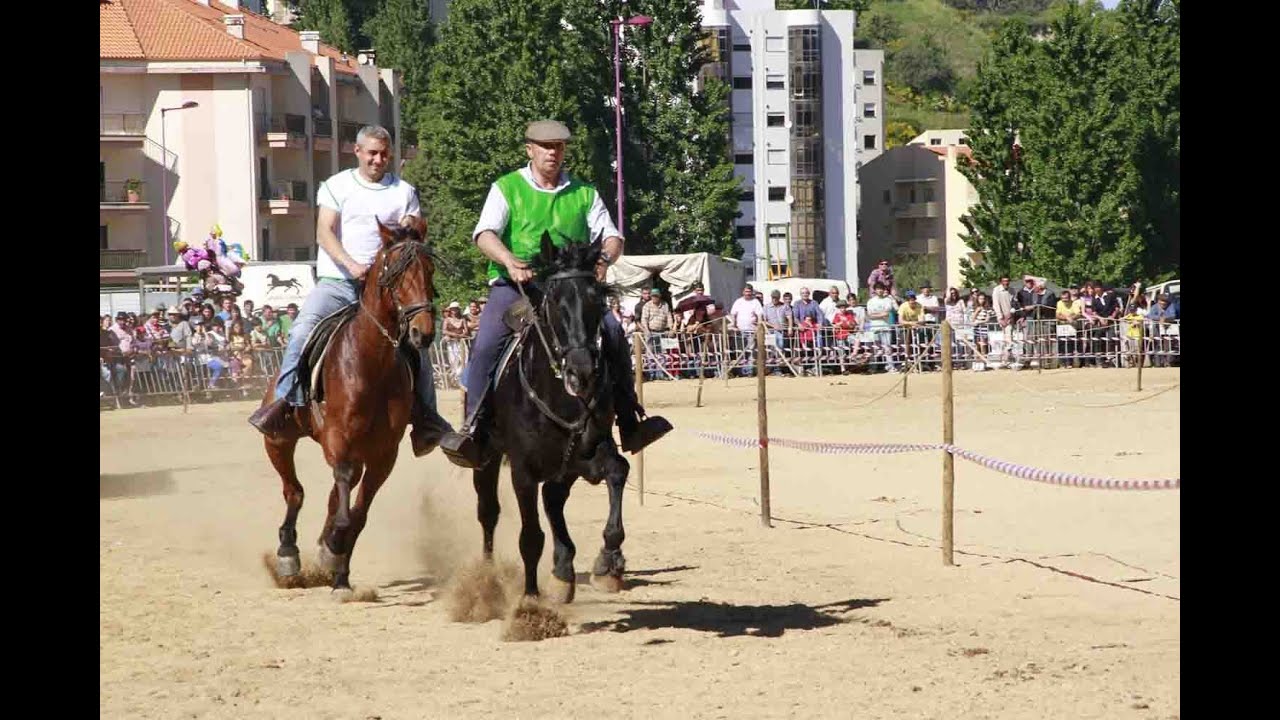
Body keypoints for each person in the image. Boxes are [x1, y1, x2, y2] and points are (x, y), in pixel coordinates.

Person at [439, 119, 671, 468]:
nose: (552, 152)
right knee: (487, 344)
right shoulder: (507, 188)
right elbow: (484, 233)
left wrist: (605, 259)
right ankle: (474, 428)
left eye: (558, 146)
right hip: (517, 287)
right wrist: (509, 260)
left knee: (612, 331)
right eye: (545, 146)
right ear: (529, 149)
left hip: (569, 292)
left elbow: (612, 236)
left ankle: (629, 422)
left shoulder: (583, 193)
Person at [248, 125, 453, 457]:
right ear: (357, 152)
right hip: (337, 282)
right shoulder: (336, 186)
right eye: (372, 152)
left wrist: (413, 231)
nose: (378, 159)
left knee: (419, 347)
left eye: (384, 153)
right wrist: (353, 265)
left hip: (386, 292)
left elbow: (413, 234)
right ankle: (284, 404)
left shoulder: (403, 191)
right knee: (302, 330)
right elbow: (324, 232)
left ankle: (426, 419)